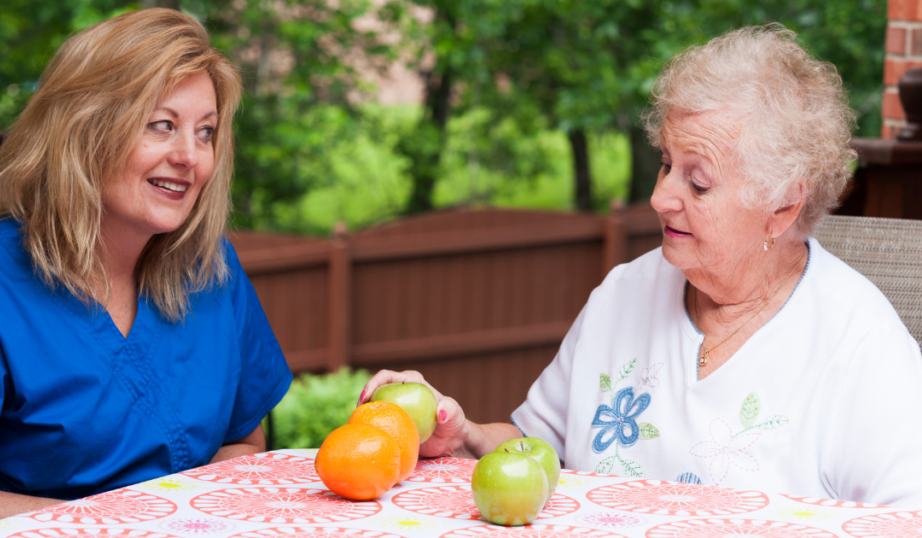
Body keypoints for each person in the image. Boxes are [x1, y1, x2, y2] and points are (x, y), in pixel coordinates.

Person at [363, 24, 922, 506]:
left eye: (698, 181)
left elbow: (905, 518)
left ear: (783, 205)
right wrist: (464, 435)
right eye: (665, 165)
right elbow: (539, 448)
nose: (660, 198)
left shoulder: (859, 346)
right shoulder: (624, 293)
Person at [0, 9, 292, 536]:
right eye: (162, 125)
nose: (189, 157)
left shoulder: (210, 267)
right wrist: (114, 526)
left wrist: (202, 519)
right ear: (85, 128)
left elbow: (244, 438)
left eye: (206, 133)